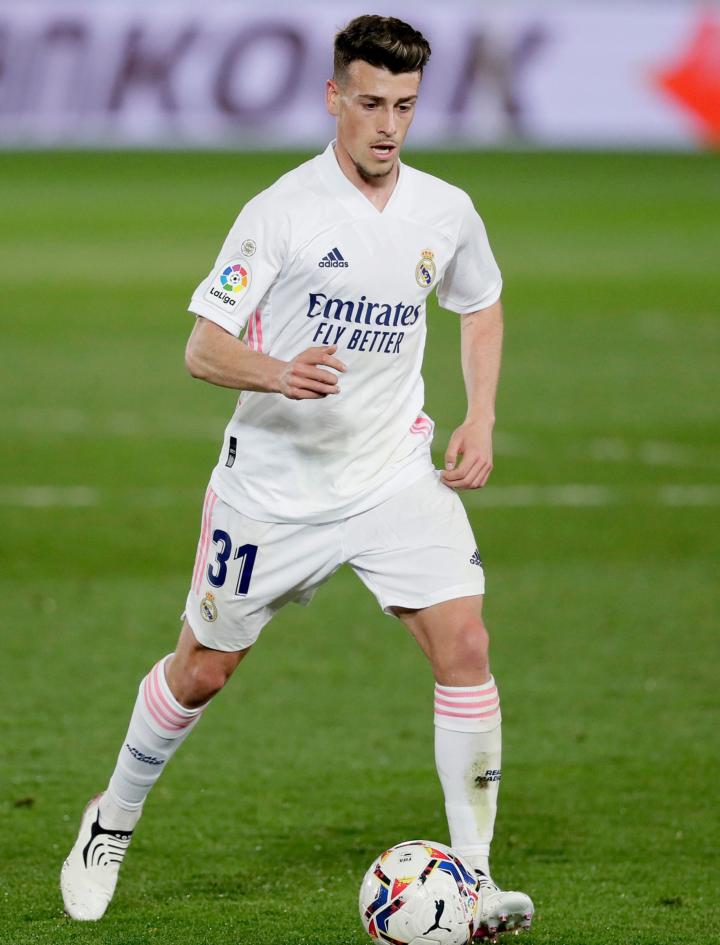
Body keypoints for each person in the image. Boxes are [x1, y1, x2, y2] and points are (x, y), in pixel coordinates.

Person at [60, 14, 534, 939]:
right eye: (371, 103)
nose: (388, 125)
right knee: (203, 670)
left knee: (466, 644)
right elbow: (203, 347)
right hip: (273, 491)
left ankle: (473, 880)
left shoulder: (446, 209)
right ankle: (112, 816)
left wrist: (480, 414)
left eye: (404, 105)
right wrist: (279, 372)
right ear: (333, 98)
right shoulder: (282, 211)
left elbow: (480, 303)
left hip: (391, 475)